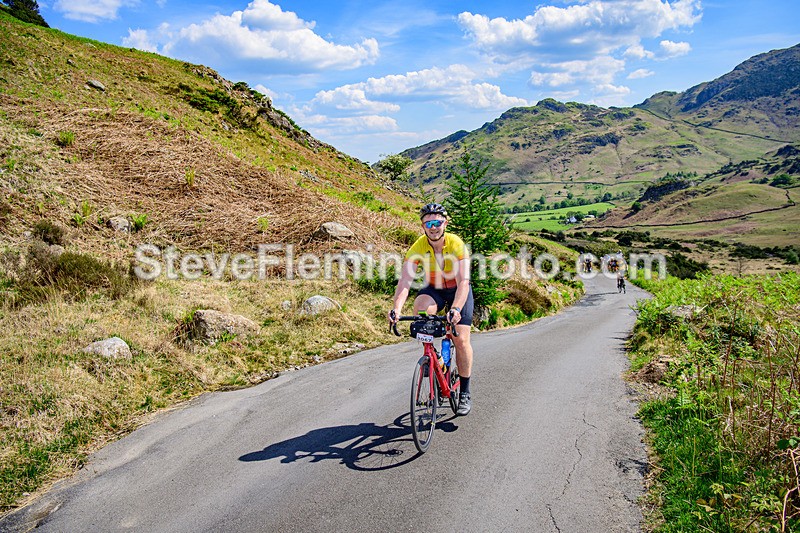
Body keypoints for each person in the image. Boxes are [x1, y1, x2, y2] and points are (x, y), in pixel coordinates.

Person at [388, 203, 475, 416]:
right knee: (420, 308)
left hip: (458, 290)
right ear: (423, 226)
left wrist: (455, 309)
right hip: (434, 289)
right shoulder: (418, 247)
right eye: (428, 223)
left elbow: (464, 282)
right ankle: (431, 355)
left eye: (437, 222)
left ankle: (464, 391)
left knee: (461, 340)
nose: (433, 227)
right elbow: (405, 282)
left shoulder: (456, 244)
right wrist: (396, 309)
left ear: (445, 223)